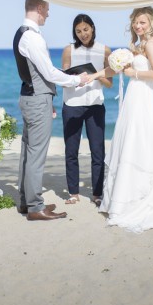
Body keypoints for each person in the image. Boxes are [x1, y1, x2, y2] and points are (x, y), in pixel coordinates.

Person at [89, 6, 153, 233]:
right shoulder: (136, 46)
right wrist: (94, 76)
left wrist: (134, 74)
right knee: (130, 142)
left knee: (142, 142)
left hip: (145, 99)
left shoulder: (151, 44)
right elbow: (115, 71)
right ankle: (123, 198)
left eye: (142, 22)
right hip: (134, 99)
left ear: (151, 23)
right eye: (136, 23)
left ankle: (140, 197)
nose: (138, 26)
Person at [13, 0, 90, 221]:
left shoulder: (21, 32)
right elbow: (48, 73)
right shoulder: (32, 37)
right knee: (36, 154)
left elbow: (37, 73)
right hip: (37, 100)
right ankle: (36, 207)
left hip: (30, 97)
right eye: (47, 9)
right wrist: (77, 80)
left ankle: (26, 201)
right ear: (39, 8)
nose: (48, 13)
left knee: (28, 153)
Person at [61, 14, 112, 205]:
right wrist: (74, 78)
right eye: (78, 31)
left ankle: (97, 194)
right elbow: (63, 80)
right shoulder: (69, 50)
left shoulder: (105, 50)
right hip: (72, 106)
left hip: (95, 106)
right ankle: (73, 193)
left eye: (85, 29)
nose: (83, 34)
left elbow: (109, 84)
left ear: (92, 27)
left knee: (97, 152)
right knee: (71, 151)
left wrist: (95, 75)